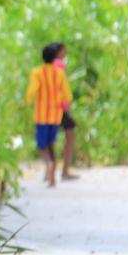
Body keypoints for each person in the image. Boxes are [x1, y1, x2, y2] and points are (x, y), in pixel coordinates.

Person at [26, 43, 73, 187]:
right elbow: (67, 93)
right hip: (55, 114)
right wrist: (65, 105)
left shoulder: (37, 72)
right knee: (51, 143)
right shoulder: (59, 73)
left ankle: (49, 164)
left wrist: (27, 101)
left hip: (41, 114)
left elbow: (32, 90)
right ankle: (52, 179)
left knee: (42, 146)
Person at [51, 42, 79, 180]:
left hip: (51, 107)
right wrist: (66, 106)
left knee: (52, 139)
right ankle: (64, 171)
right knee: (70, 134)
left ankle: (53, 171)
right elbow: (61, 87)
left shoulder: (48, 66)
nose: (66, 53)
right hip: (60, 107)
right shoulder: (59, 65)